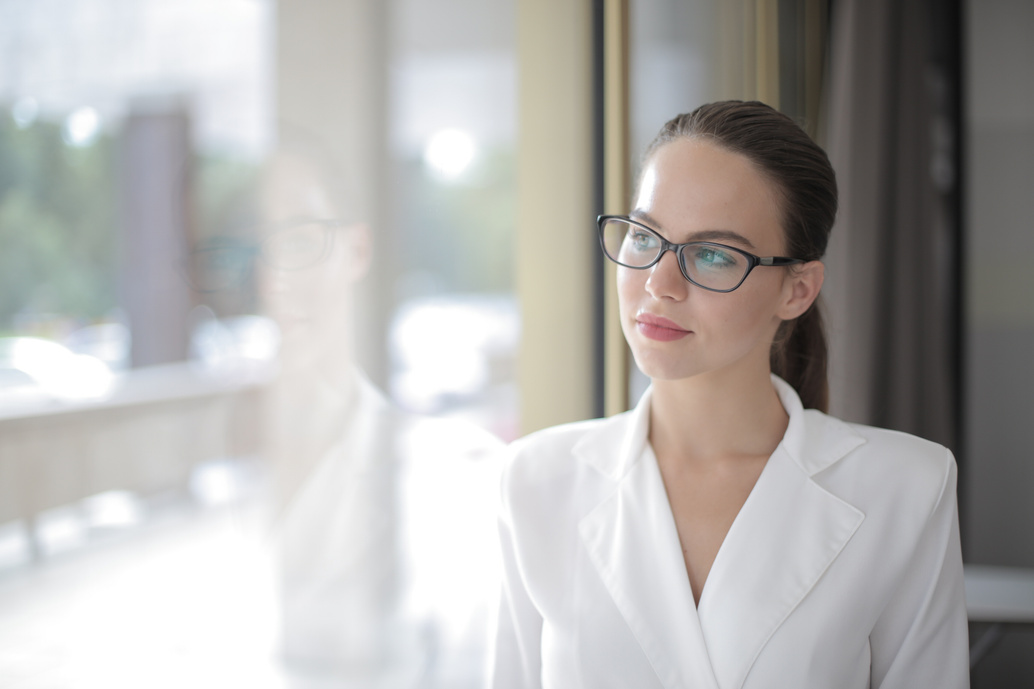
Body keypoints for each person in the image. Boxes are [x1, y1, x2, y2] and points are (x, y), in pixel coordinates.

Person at [490, 101, 969, 688]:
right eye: (645, 237)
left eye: (713, 254)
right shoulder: (536, 481)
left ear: (796, 290)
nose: (659, 286)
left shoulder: (906, 486)